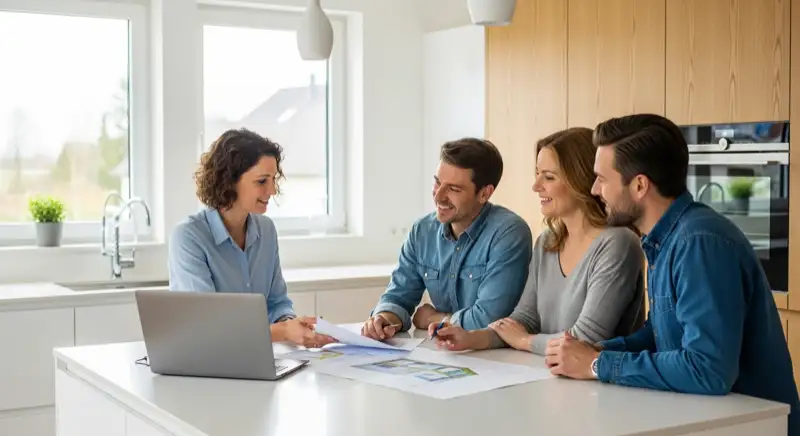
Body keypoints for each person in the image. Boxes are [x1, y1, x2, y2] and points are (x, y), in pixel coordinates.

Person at [546, 114, 799, 435]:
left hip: (752, 426)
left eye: (602, 179)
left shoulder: (698, 243)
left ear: (639, 185)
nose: (595, 190)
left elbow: (708, 370)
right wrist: (600, 351)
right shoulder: (663, 239)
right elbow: (662, 334)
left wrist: (598, 366)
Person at [432, 127, 645, 354]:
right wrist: (472, 338)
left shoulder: (618, 244)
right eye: (537, 174)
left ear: (580, 180)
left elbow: (586, 339)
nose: (536, 186)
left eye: (549, 177)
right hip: (551, 377)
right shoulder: (547, 242)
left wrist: (525, 341)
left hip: (604, 386)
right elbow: (524, 319)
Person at [168, 128, 336, 349]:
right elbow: (208, 327)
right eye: (262, 181)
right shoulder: (189, 237)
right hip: (207, 361)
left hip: (256, 356)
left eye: (274, 179)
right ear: (229, 181)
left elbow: (277, 302)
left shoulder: (266, 230)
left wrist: (291, 324)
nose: (272, 190)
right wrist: (284, 331)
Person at [361, 137, 533, 340]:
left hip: (497, 359)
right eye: (437, 182)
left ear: (484, 193)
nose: (438, 197)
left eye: (453, 189)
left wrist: (434, 318)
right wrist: (384, 318)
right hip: (444, 355)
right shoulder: (422, 231)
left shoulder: (508, 233)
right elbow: (398, 296)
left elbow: (490, 319)